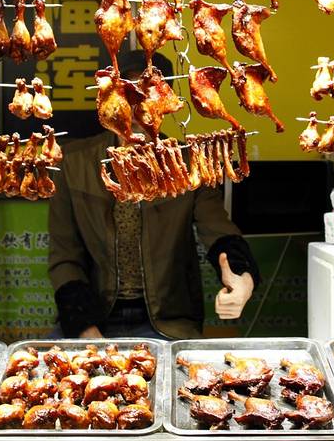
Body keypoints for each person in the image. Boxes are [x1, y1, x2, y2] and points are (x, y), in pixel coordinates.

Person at [48, 50, 260, 339]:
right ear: (110, 99)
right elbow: (64, 256)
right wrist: (84, 326)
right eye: (128, 94)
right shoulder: (74, 163)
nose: (138, 107)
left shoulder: (189, 163)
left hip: (167, 321)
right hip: (95, 316)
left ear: (166, 102)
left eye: (149, 94)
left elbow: (219, 231)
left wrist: (243, 277)